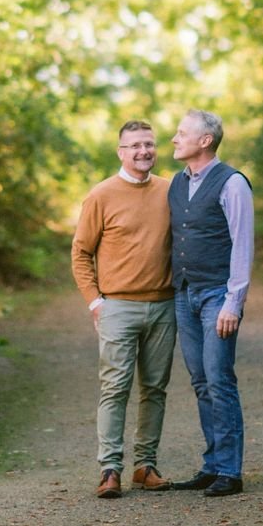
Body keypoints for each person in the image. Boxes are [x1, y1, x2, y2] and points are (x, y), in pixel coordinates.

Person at [71, 120, 177, 499]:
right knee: (114, 388)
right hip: (118, 306)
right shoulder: (100, 196)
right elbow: (81, 252)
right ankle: (109, 469)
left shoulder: (170, 190)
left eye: (148, 144)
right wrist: (95, 300)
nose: (143, 151)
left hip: (164, 305)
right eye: (134, 145)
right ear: (121, 152)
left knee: (155, 389)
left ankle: (145, 466)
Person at [168, 109, 254, 498]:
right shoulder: (176, 182)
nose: (174, 138)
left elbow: (242, 243)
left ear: (205, 141)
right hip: (184, 294)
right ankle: (212, 465)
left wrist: (233, 302)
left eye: (182, 133)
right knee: (201, 382)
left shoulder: (232, 183)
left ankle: (230, 471)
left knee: (220, 380)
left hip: (218, 294)